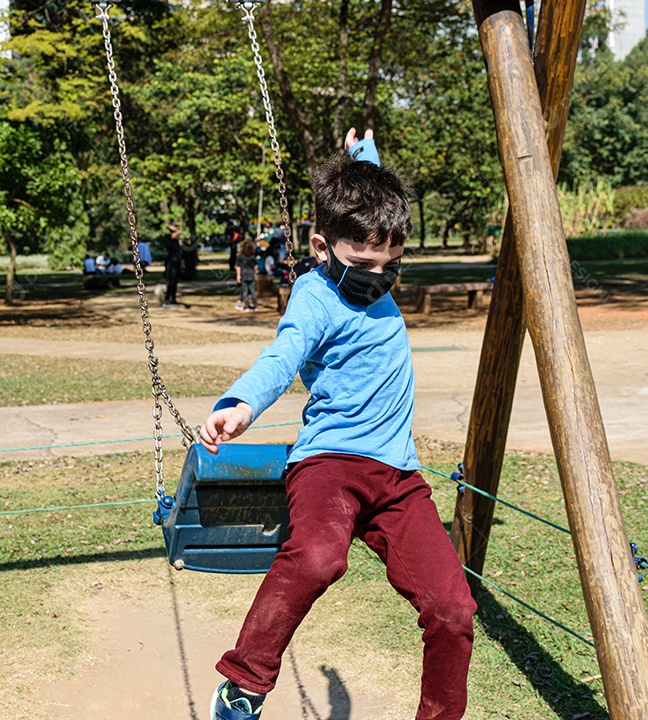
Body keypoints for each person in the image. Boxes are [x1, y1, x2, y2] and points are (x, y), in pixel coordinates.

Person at [201, 128, 477, 720]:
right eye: (364, 264)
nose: (378, 276)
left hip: (398, 476)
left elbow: (366, 200)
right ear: (323, 248)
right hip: (329, 465)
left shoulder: (369, 247)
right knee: (321, 556)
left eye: (392, 265)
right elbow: (283, 356)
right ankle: (243, 683)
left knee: (454, 608)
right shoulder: (314, 295)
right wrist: (242, 404)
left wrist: (363, 157)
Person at [163, 221, 184, 307]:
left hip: (177, 262)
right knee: (171, 281)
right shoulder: (169, 237)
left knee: (175, 281)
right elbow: (178, 231)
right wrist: (175, 228)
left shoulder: (176, 240)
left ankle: (173, 298)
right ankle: (168, 298)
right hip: (171, 262)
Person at [235, 238, 258, 312]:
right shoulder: (252, 257)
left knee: (245, 291)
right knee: (253, 291)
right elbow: (255, 266)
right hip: (251, 275)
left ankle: (246, 306)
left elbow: (238, 267)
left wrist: (238, 276)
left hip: (244, 275)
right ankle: (255, 306)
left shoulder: (240, 257)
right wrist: (255, 274)